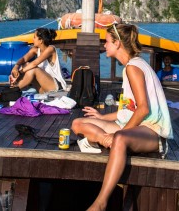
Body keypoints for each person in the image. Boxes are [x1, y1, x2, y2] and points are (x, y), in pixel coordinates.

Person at [71, 23, 172, 211]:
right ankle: (106, 140)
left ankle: (100, 203)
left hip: (152, 131)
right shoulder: (131, 66)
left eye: (107, 42)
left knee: (120, 137)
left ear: (117, 44)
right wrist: (101, 117)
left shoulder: (134, 68)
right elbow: (128, 111)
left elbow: (142, 109)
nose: (104, 46)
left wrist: (119, 133)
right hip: (134, 125)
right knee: (78, 123)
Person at [7, 28, 67, 93]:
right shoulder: (35, 50)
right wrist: (16, 67)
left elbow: (34, 63)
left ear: (41, 40)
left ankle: (11, 91)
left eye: (34, 37)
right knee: (25, 64)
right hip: (43, 88)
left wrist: (20, 72)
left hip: (58, 87)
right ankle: (14, 86)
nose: (33, 39)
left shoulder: (50, 49)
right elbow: (24, 59)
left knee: (34, 69)